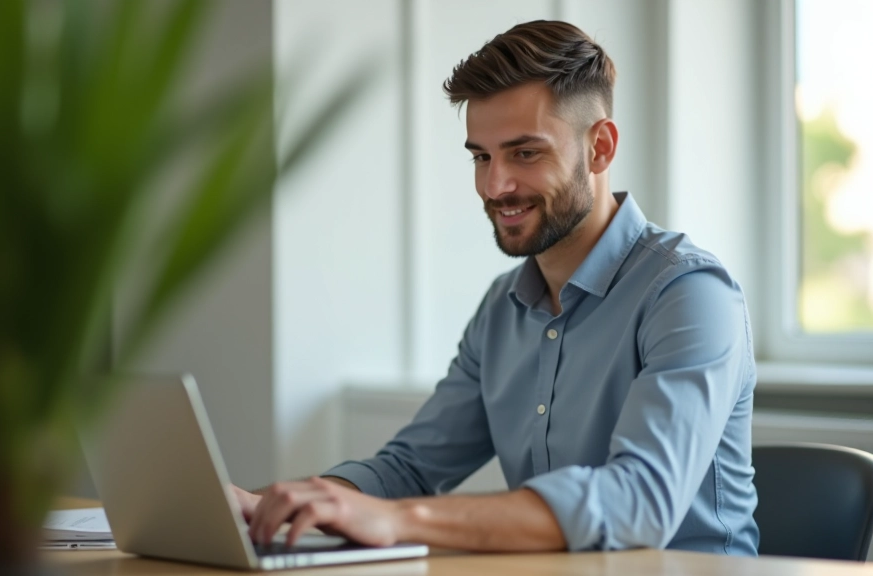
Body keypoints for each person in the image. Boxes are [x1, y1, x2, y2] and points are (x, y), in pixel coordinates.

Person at [232, 20, 759, 555]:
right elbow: (409, 467)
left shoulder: (690, 293)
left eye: (524, 153)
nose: (494, 186)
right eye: (481, 156)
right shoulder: (502, 309)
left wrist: (397, 520)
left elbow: (639, 503)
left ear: (600, 148)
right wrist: (291, 503)